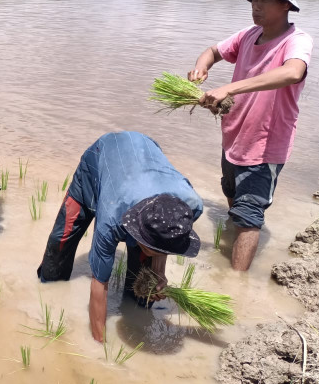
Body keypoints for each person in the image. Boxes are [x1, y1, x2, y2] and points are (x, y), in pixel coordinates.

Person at [188, 0, 313, 271]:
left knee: (249, 218)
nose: (256, 6)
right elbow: (213, 51)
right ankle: (232, 253)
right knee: (232, 197)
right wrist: (200, 68)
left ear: (286, 4)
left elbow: (293, 72)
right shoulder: (247, 35)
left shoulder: (297, 41)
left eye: (265, 0)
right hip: (233, 138)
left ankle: (236, 286)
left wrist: (229, 87)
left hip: (265, 146)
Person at [37, 131, 203, 343]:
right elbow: (99, 285)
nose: (158, 252)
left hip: (146, 153)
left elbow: (167, 240)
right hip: (103, 155)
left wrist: (159, 273)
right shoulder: (112, 217)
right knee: (66, 232)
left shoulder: (191, 207)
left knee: (143, 289)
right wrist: (100, 345)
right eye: (152, 247)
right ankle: (48, 287)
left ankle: (136, 313)